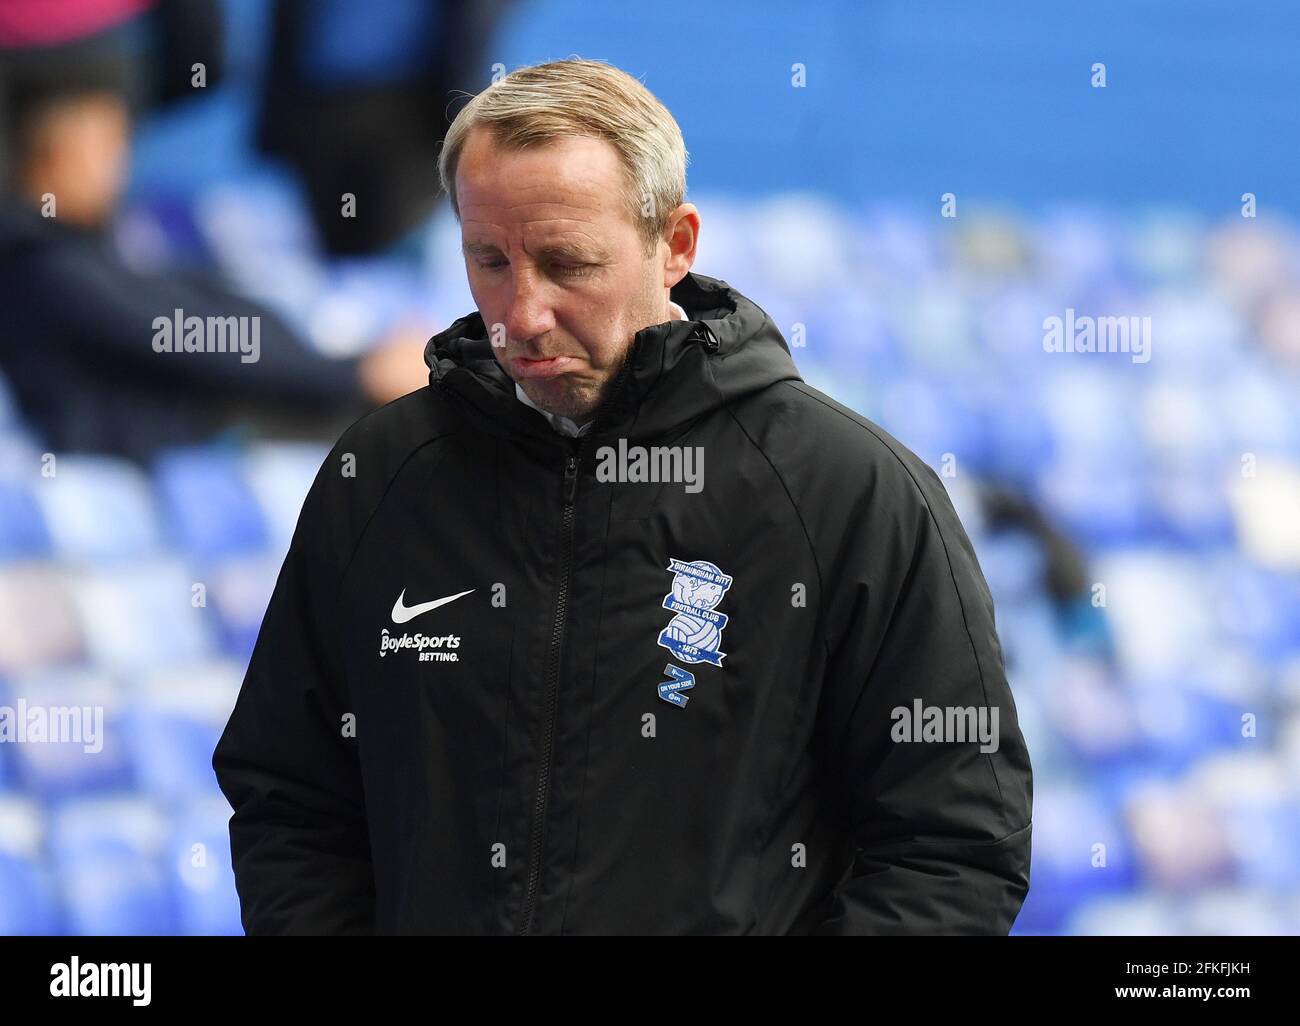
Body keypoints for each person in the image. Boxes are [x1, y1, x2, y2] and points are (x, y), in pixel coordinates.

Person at [213, 58, 1033, 935]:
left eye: (567, 263)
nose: (521, 314)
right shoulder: (381, 475)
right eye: (489, 259)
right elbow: (291, 797)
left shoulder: (852, 494)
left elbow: (954, 849)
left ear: (674, 244)